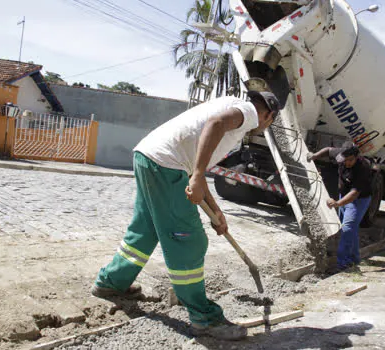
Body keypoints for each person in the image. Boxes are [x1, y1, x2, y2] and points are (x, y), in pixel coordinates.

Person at [91, 91, 280, 341]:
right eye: (269, 122)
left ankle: (111, 282)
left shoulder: (229, 107)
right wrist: (200, 174)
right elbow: (212, 131)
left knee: (146, 230)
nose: (264, 126)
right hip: (166, 163)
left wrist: (216, 211)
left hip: (149, 156)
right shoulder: (248, 113)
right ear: (268, 115)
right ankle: (204, 318)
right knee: (189, 241)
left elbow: (194, 170)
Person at [308, 141, 372, 270]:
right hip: (344, 195)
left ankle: (343, 263)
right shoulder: (341, 154)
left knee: (347, 228)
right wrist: (314, 156)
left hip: (359, 200)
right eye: (344, 160)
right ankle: (354, 258)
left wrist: (337, 203)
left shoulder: (363, 168)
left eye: (349, 160)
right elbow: (327, 150)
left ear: (356, 157)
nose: (346, 163)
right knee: (350, 228)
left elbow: (354, 194)